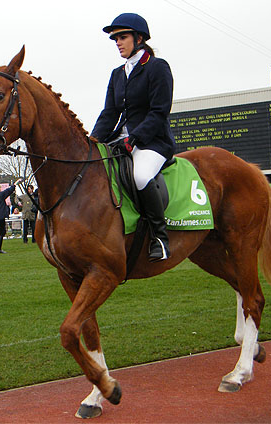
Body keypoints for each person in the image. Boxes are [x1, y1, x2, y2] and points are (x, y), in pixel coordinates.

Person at [91, 12, 176, 262]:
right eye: (115, 38)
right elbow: (110, 112)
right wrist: (94, 140)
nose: (117, 42)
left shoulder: (157, 67)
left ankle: (160, 238)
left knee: (140, 175)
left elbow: (159, 111)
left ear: (139, 38)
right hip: (122, 139)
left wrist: (136, 137)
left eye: (122, 37)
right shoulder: (118, 73)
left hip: (153, 142)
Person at [0, 178, 23, 253]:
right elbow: (9, 191)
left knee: (2, 231)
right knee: (2, 231)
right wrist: (15, 184)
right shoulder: (0, 195)